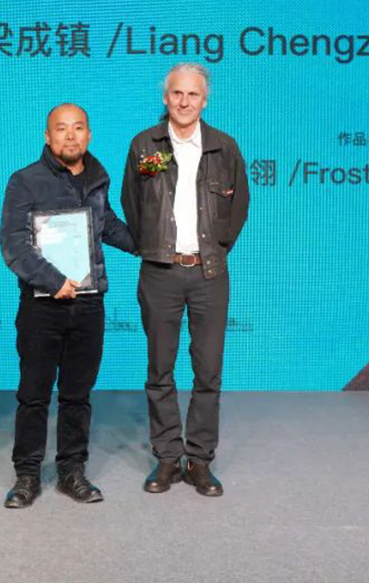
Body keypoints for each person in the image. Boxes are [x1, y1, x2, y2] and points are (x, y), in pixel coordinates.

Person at [120, 63, 249, 497]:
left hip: (209, 273)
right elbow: (132, 205)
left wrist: (214, 249)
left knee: (208, 371)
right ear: (166, 97)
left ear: (204, 101)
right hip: (160, 272)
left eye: (193, 94)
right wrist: (155, 248)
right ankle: (166, 458)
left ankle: (200, 460)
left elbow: (238, 208)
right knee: (160, 370)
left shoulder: (224, 147)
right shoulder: (144, 145)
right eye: (177, 93)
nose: (184, 101)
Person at [0, 103, 136, 508]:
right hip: (42, 304)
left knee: (78, 394)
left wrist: (150, 245)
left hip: (89, 303)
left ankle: (72, 471)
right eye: (61, 129)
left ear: (89, 135)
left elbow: (106, 224)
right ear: (48, 136)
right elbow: (13, 243)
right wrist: (52, 280)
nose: (70, 136)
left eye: (78, 128)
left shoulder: (98, 176)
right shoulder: (24, 181)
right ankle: (27, 475)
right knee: (34, 393)